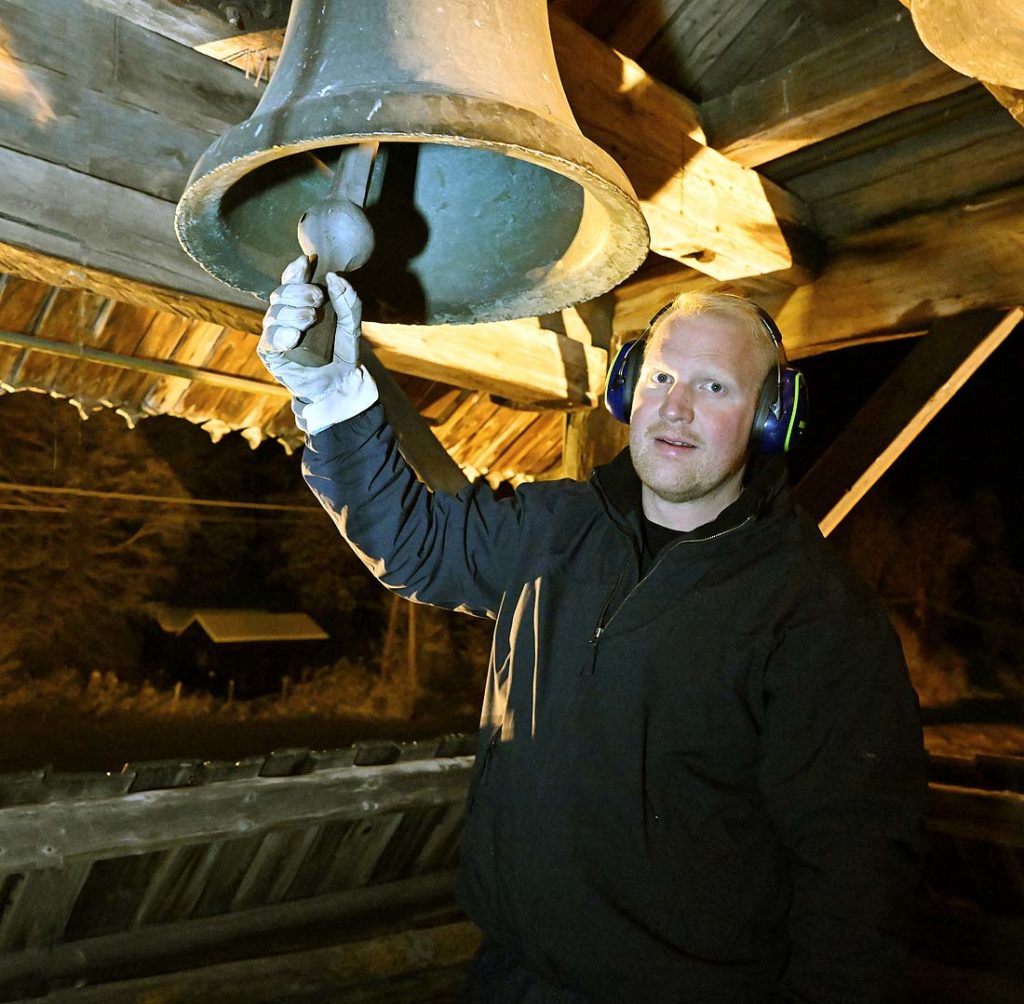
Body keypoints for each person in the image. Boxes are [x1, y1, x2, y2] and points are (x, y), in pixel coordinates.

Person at [258, 256, 927, 1004]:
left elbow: (857, 868)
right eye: (663, 379)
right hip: (509, 976)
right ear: (627, 390)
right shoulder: (554, 526)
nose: (676, 410)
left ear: (772, 417)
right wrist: (328, 392)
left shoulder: (816, 614)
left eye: (715, 387)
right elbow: (415, 540)